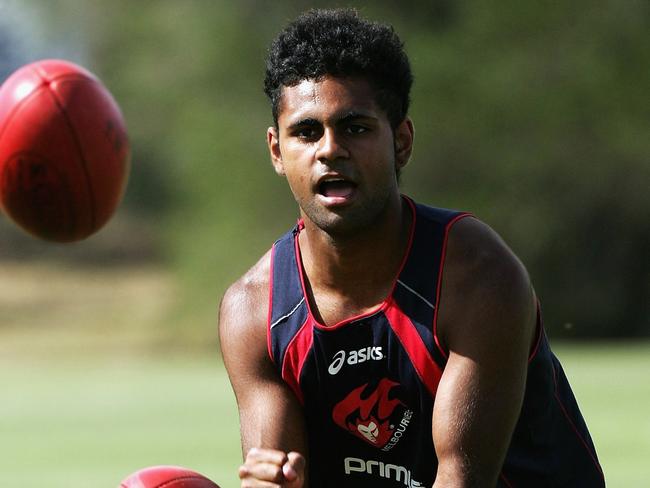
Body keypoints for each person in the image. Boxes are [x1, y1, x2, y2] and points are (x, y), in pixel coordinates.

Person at [219, 8, 605, 488]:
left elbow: (461, 479)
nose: (329, 149)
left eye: (356, 127)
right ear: (277, 151)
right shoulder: (254, 312)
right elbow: (277, 473)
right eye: (306, 131)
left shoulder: (476, 277)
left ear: (401, 142)